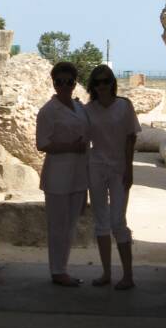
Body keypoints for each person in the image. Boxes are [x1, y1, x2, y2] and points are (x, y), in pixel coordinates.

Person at [84, 65, 141, 289]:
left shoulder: (124, 106)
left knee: (118, 221)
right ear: (93, 85)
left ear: (112, 83)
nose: (102, 86)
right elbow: (84, 141)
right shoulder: (88, 110)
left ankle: (128, 276)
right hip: (96, 167)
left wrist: (129, 168)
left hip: (118, 168)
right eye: (97, 82)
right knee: (101, 221)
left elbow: (130, 138)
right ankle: (106, 273)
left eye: (106, 81)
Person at [35, 61, 89, 287]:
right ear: (54, 83)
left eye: (69, 81)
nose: (64, 86)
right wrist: (70, 147)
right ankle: (57, 271)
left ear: (75, 83)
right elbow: (42, 143)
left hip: (78, 174)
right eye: (60, 82)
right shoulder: (48, 111)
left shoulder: (80, 108)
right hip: (58, 174)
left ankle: (62, 268)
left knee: (70, 224)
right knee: (58, 225)